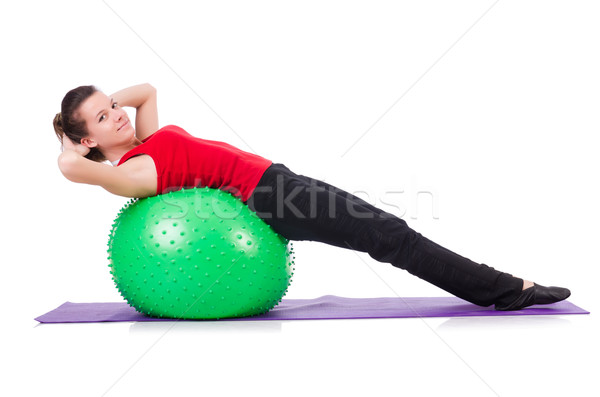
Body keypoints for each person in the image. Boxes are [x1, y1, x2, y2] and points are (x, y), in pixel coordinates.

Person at [54, 83, 571, 311]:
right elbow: (70, 167)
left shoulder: (145, 139)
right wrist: (68, 140)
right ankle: (509, 290)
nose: (119, 113)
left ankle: (505, 288)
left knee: (388, 233)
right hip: (271, 198)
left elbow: (145, 88)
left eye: (111, 106)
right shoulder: (133, 169)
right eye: (103, 118)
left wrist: (101, 110)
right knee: (390, 235)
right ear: (88, 140)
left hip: (277, 183)